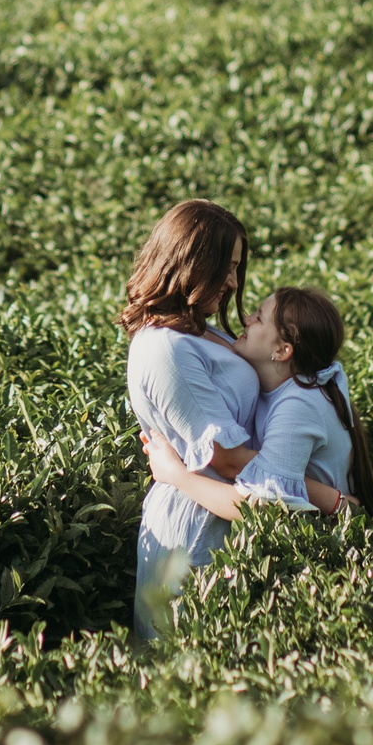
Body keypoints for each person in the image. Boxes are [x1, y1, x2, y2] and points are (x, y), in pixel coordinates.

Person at [119, 199, 261, 640]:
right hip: (195, 531)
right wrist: (321, 493)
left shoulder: (200, 331)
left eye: (237, 267)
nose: (234, 281)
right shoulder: (165, 348)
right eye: (226, 266)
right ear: (189, 262)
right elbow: (228, 459)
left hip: (230, 516)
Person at [143, 284, 373, 541]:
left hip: (324, 547)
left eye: (258, 318)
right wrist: (324, 496)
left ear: (282, 351)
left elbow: (260, 508)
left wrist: (176, 475)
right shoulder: (296, 385)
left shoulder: (299, 404)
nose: (246, 319)